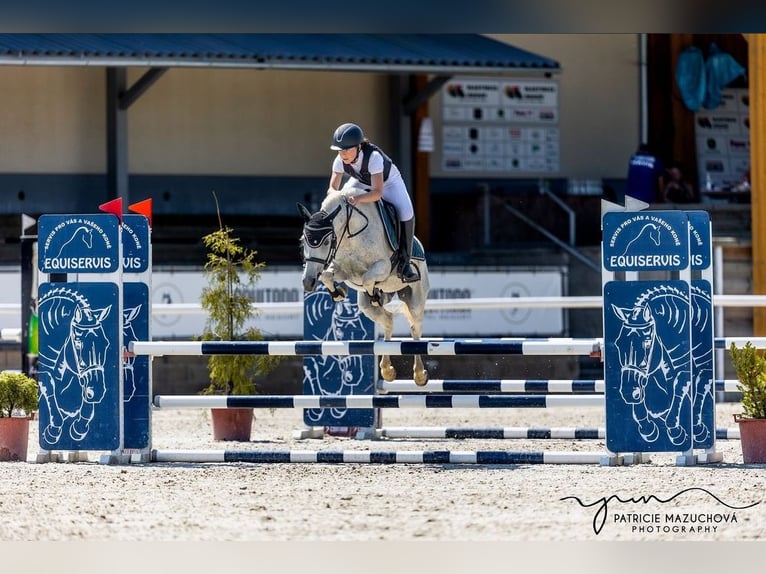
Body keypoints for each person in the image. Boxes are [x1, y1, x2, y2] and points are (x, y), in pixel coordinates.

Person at [328, 122, 419, 283]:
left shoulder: (374, 157)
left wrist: (358, 199)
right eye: (340, 150)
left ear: (358, 146)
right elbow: (332, 190)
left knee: (406, 212)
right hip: (361, 181)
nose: (343, 154)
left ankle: (405, 264)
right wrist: (338, 199)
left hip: (388, 183)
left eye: (347, 149)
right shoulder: (339, 160)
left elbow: (377, 193)